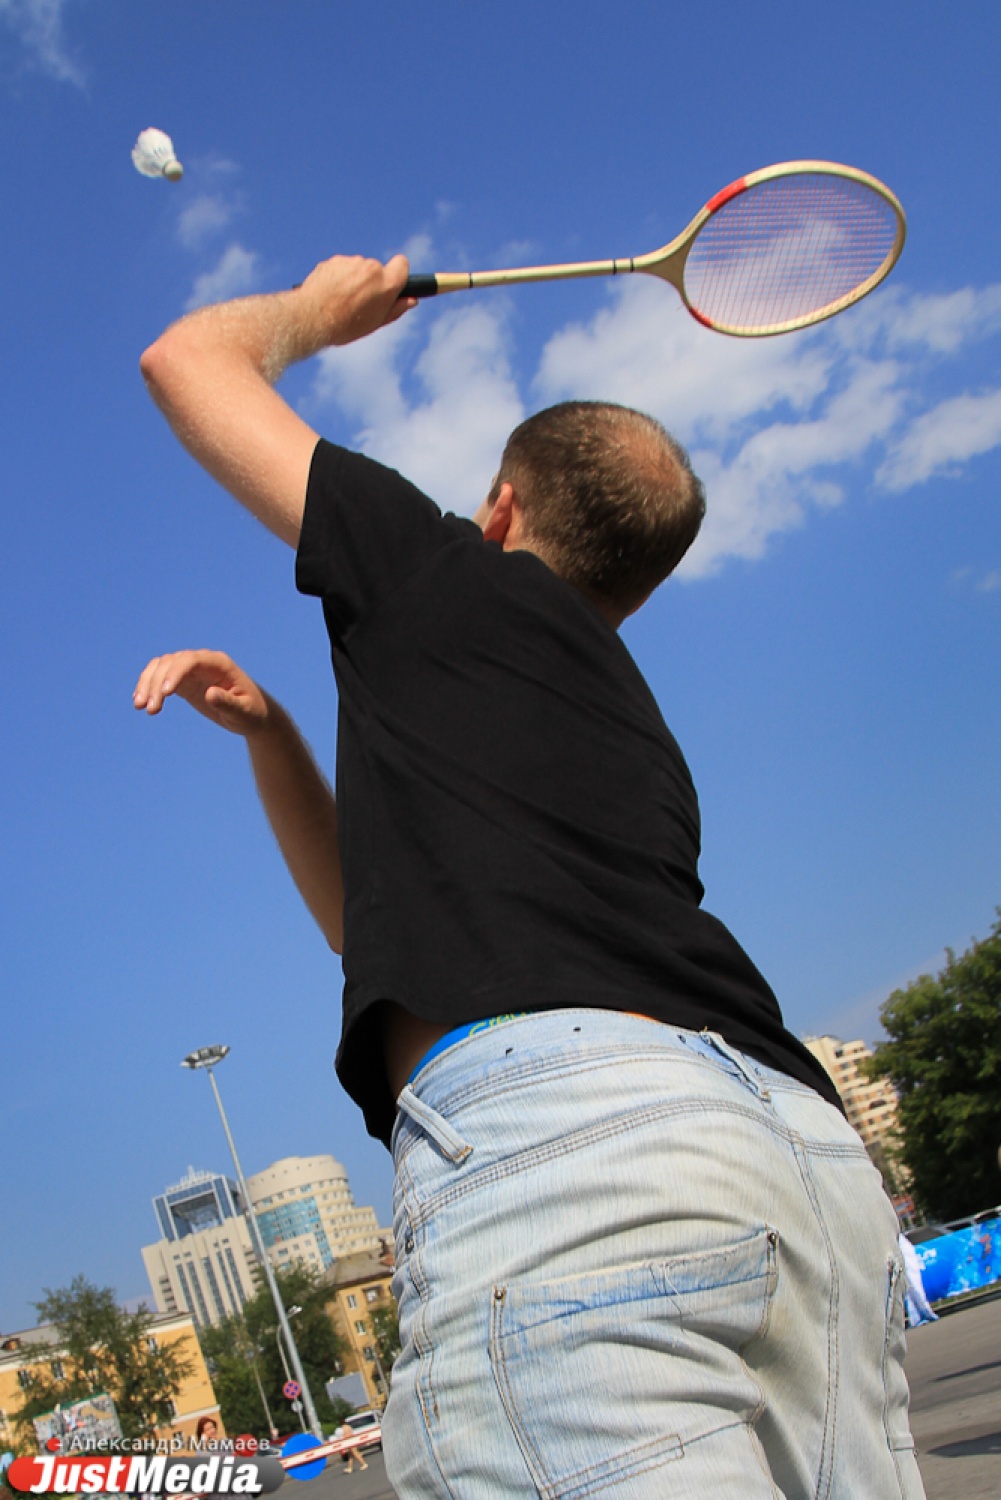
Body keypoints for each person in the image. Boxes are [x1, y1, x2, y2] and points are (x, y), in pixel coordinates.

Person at [138, 255, 925, 1498]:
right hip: (801, 1161)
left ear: (500, 510)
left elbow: (186, 361)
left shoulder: (445, 569)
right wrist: (277, 737)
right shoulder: (633, 739)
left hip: (578, 1155)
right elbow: (375, 931)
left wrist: (320, 312)